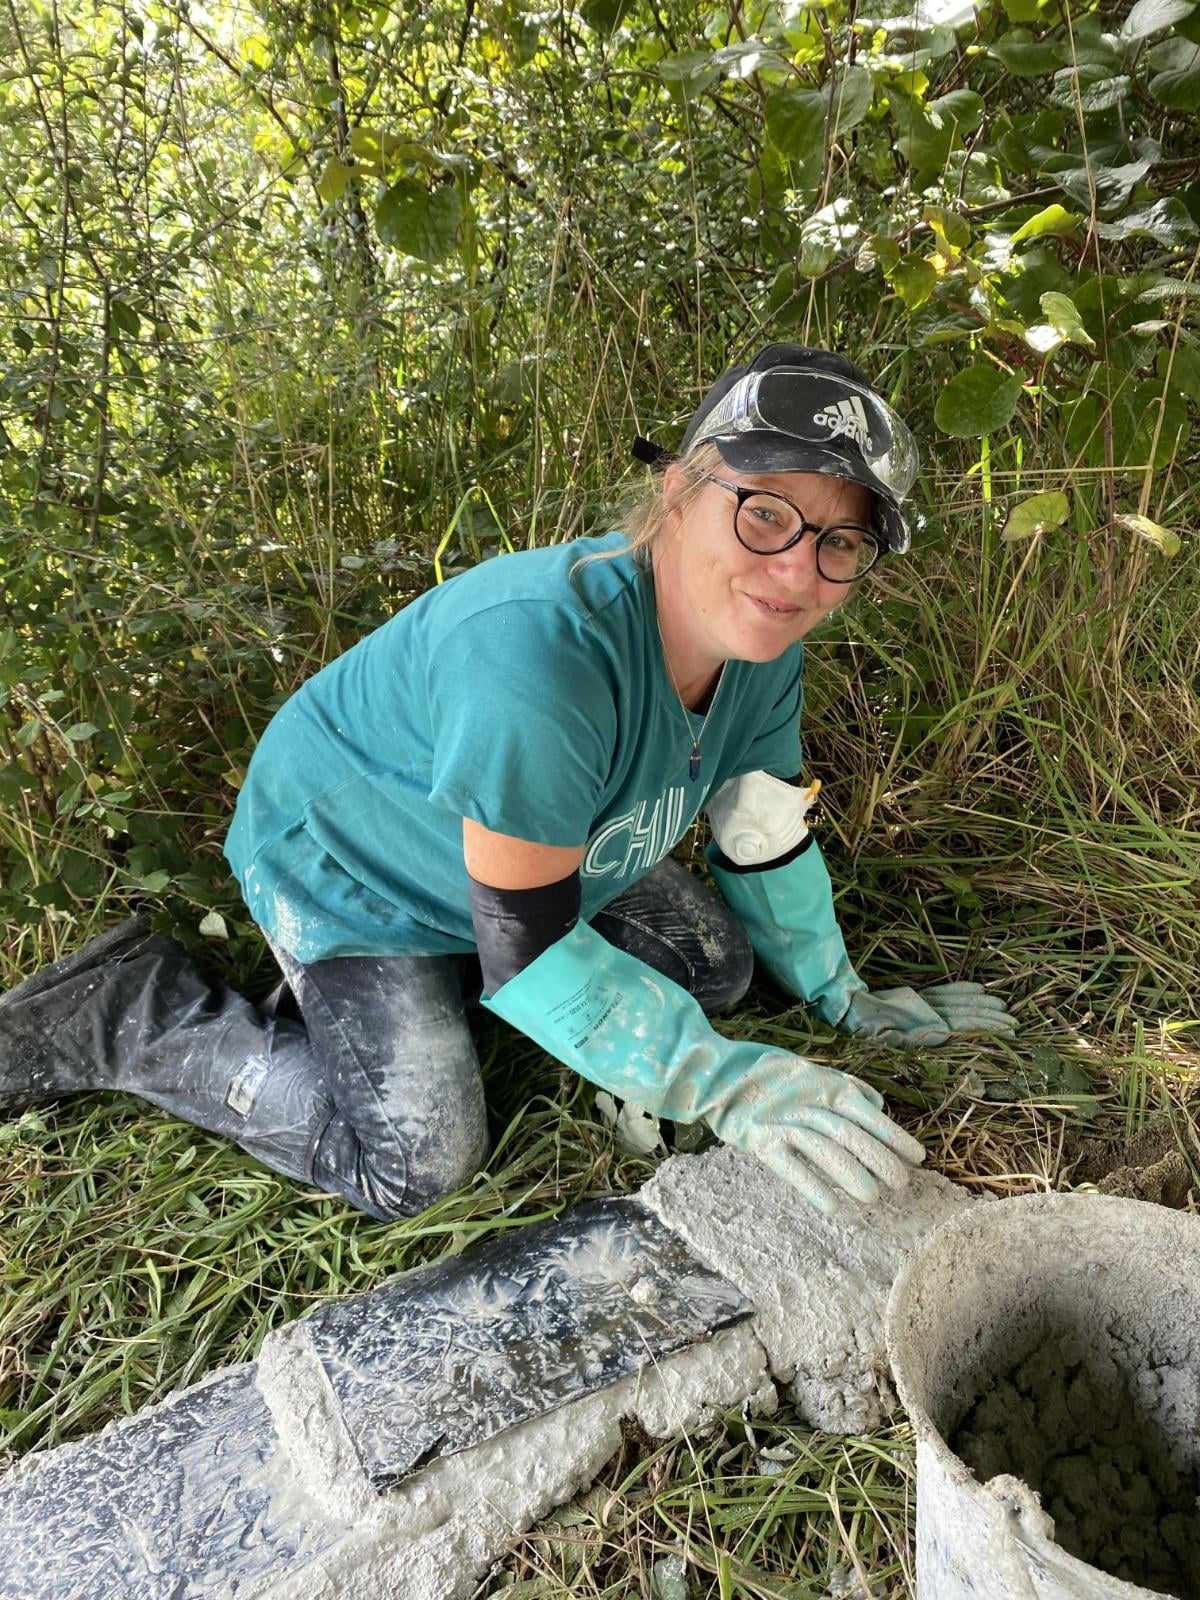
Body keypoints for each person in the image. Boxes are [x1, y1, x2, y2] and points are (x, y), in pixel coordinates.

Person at [0, 344, 1016, 1221]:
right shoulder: (541, 661)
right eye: (764, 514)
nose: (795, 574)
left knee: (717, 967)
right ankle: (131, 1011)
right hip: (359, 864)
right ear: (677, 494)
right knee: (420, 1162)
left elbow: (757, 822)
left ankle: (463, 974)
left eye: (839, 541)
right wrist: (721, 1081)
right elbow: (529, 949)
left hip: (540, 848)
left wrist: (845, 999)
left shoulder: (764, 644)